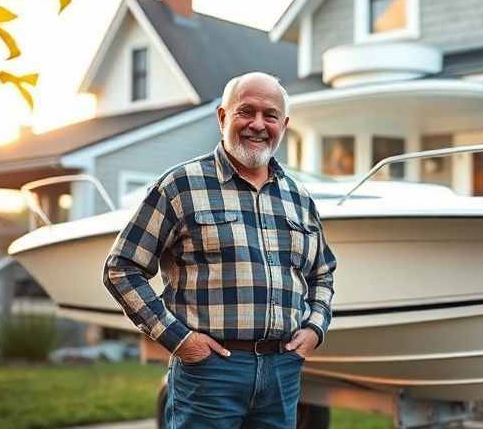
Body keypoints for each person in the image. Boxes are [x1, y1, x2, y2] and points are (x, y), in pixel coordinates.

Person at [102, 72, 336, 429]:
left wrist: (315, 329)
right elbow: (122, 268)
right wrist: (180, 341)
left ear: (283, 125)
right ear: (223, 117)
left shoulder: (299, 198)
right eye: (246, 111)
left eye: (270, 115)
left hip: (282, 371)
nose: (258, 124)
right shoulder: (180, 186)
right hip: (210, 373)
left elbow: (321, 273)